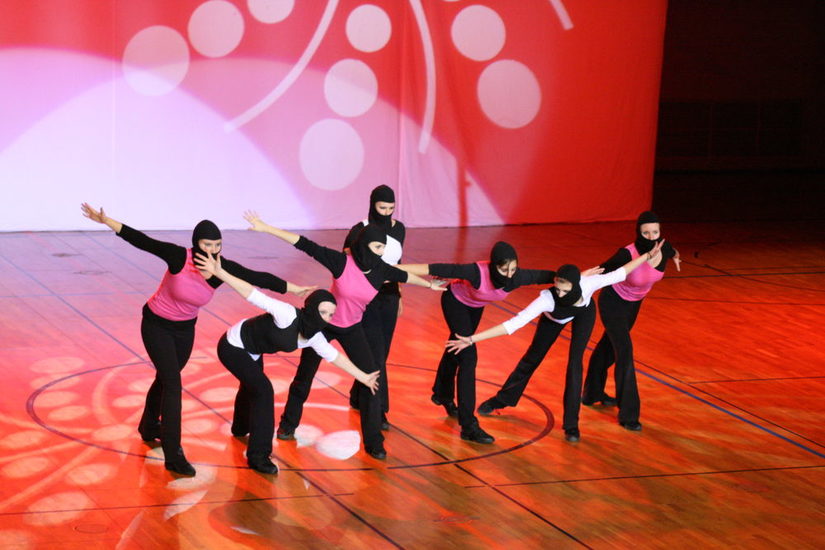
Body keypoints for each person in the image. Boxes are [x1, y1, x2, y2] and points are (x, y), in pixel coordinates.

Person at [80, 203, 312, 476]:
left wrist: (296, 288)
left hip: (184, 330)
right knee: (173, 384)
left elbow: (257, 277)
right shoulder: (179, 257)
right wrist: (107, 221)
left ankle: (149, 425)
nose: (213, 250)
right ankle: (173, 454)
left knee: (166, 377)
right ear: (196, 244)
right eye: (207, 244)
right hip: (156, 325)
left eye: (218, 245)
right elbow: (142, 241)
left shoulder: (221, 269)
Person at [243, 211, 444, 460]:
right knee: (304, 376)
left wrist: (430, 285)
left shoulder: (381, 270)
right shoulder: (341, 262)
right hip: (323, 325)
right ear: (364, 245)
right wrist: (266, 228)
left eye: (383, 247)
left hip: (352, 328)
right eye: (378, 246)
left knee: (371, 379)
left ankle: (374, 442)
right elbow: (305, 244)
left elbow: (405, 276)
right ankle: (288, 425)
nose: (381, 252)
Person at [448, 239, 664, 443]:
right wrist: (471, 339)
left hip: (583, 313)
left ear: (577, 286)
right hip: (553, 319)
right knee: (533, 357)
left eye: (565, 290)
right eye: (557, 288)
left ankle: (571, 426)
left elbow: (622, 272)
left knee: (575, 363)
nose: (560, 293)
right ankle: (502, 399)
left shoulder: (590, 283)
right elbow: (513, 324)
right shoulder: (547, 299)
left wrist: (647, 256)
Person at [193, 252, 379, 474]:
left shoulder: (314, 337)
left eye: (330, 315)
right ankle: (259, 457)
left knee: (251, 386)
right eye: (322, 312)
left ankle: (240, 427)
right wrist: (220, 272)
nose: (326, 318)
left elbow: (335, 357)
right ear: (311, 308)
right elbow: (251, 293)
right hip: (232, 345)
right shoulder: (287, 314)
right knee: (263, 390)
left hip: (254, 352)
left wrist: (364, 377)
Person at [398, 243, 554, 445]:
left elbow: (548, 276)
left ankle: (442, 394)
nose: (509, 275)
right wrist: (388, 268)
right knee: (468, 357)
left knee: (457, 347)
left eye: (513, 269)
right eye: (504, 269)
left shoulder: (517, 277)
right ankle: (469, 426)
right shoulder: (475, 272)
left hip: (475, 306)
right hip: (455, 302)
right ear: (493, 266)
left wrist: (579, 278)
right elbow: (431, 268)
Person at [582, 211, 680, 432]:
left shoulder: (663, 247)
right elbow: (602, 269)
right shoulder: (627, 253)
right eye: (646, 233)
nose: (651, 237)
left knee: (608, 347)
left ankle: (591, 393)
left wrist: (676, 256)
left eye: (655, 232)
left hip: (633, 305)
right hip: (613, 302)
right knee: (624, 351)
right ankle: (629, 415)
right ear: (638, 232)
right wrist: (580, 279)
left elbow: (672, 250)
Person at [343, 185, 405, 430]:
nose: (386, 213)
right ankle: (378, 411)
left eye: (391, 208)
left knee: (381, 353)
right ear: (372, 205)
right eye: (382, 208)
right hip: (366, 297)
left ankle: (357, 395)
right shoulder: (359, 230)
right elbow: (346, 263)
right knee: (377, 356)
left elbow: (397, 263)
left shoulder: (399, 229)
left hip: (389, 297)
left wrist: (400, 295)